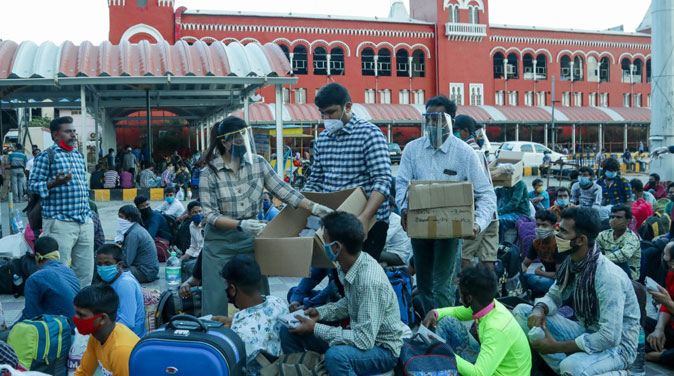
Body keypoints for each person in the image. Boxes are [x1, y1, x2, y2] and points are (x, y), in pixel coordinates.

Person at [199, 116, 331, 316]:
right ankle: (215, 337)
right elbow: (209, 214)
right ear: (224, 142)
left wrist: (314, 207)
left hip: (250, 239)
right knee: (215, 297)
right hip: (219, 243)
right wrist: (240, 224)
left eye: (246, 136)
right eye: (238, 138)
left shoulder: (258, 164)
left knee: (257, 291)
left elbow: (284, 191)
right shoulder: (209, 173)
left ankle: (261, 329)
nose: (244, 142)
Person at [397, 95, 496, 313]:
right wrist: (403, 208)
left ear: (450, 120)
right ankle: (429, 324)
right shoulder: (413, 150)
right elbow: (402, 183)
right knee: (423, 282)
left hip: (450, 231)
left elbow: (486, 193)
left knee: (442, 284)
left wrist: (476, 224)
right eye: (429, 119)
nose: (433, 124)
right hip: (420, 227)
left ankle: (442, 330)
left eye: (438, 119)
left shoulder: (465, 153)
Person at [513, 207, 640, 375]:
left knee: (572, 367)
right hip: (587, 331)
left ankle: (618, 372)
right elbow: (554, 295)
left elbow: (609, 337)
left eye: (563, 232)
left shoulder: (608, 276)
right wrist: (539, 309)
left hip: (618, 348)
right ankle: (563, 370)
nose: (558, 236)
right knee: (522, 312)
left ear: (581, 240)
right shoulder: (572, 262)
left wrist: (556, 347)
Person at [280, 212, 405, 376]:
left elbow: (364, 340)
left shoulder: (369, 281)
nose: (322, 245)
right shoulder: (346, 264)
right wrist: (319, 313)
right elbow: (348, 303)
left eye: (325, 240)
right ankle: (301, 370)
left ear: (337, 247)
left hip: (381, 349)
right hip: (361, 337)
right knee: (288, 330)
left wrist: (316, 328)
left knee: (336, 356)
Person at [305, 83, 393, 261]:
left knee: (362, 277)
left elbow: (383, 180)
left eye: (331, 112)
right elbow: (315, 180)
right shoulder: (323, 139)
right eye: (323, 113)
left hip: (369, 222)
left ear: (348, 106)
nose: (327, 118)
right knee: (338, 278)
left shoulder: (369, 134)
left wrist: (364, 218)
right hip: (335, 222)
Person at [422, 266, 531, 376]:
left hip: (496, 372)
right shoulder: (488, 305)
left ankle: (441, 361)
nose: (458, 295)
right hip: (496, 364)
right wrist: (435, 312)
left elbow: (480, 373)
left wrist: (444, 352)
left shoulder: (496, 328)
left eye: (460, 291)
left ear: (469, 298)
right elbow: (457, 312)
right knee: (447, 321)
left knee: (445, 353)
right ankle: (442, 361)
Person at [28, 116, 95, 287]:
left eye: (74, 131)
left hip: (84, 221)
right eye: (68, 131)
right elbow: (32, 186)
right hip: (60, 222)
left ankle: (81, 309)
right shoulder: (46, 156)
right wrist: (54, 183)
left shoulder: (79, 156)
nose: (73, 135)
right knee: (59, 271)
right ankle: (62, 309)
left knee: (85, 272)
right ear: (55, 135)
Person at [212, 255, 288, 373]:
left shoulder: (240, 334)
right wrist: (232, 321)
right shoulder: (278, 302)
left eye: (227, 286)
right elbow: (262, 322)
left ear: (232, 289)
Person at [0, 236, 80, 341]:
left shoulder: (35, 278)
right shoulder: (69, 271)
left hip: (60, 335)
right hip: (77, 332)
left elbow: (30, 316)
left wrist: (10, 329)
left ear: (36, 256)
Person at [73, 284, 140, 376]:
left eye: (82, 315)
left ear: (102, 318)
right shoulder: (96, 337)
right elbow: (83, 372)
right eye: (76, 313)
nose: (76, 318)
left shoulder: (121, 350)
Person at [95, 244, 146, 337]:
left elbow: (127, 322)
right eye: (99, 264)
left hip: (129, 337)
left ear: (119, 265)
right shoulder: (111, 281)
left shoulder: (124, 284)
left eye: (107, 264)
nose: (102, 267)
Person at [520, 210, 563, 296]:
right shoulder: (536, 243)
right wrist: (519, 272)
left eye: (544, 225)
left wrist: (540, 273)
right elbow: (525, 264)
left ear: (553, 227)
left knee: (536, 281)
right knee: (521, 278)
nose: (540, 228)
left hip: (560, 284)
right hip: (545, 278)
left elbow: (560, 276)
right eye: (538, 225)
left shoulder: (559, 244)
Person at [646, 241, 674, 367]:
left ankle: (655, 355)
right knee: (636, 322)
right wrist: (659, 328)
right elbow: (666, 306)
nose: (663, 260)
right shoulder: (671, 274)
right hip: (670, 330)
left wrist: (668, 302)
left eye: (666, 258)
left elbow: (668, 303)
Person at [596, 204, 641, 280]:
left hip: (628, 275)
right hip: (608, 268)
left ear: (628, 221)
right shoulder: (604, 234)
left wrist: (598, 260)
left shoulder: (632, 238)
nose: (614, 220)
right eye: (612, 217)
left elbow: (622, 256)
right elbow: (593, 248)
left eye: (618, 217)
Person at [116, 205, 159, 283]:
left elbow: (126, 262)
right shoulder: (134, 229)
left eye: (121, 217)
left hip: (145, 272)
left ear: (129, 219)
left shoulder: (134, 234)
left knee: (111, 271)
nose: (118, 220)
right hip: (147, 269)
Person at [380, 197, 412, 267]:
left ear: (391, 208)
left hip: (398, 255)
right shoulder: (385, 218)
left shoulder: (395, 220)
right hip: (389, 250)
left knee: (371, 253)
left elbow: (382, 239)